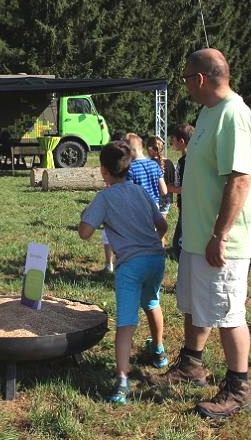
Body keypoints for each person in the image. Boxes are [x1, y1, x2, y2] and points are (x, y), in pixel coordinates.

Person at [149, 48, 251, 420]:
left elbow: (240, 179)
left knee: (228, 312)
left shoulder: (234, 115)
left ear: (199, 78)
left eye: (185, 77)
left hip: (221, 241)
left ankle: (239, 387)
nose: (184, 84)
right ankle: (191, 366)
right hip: (197, 237)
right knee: (196, 305)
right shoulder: (208, 113)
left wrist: (221, 234)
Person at [79, 141, 169, 405]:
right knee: (152, 302)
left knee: (126, 323)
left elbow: (84, 233)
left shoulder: (104, 198)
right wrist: (152, 241)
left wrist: (88, 214)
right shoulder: (141, 193)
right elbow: (162, 225)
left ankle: (121, 382)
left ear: (104, 171)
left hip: (130, 266)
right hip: (155, 260)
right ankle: (159, 351)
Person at [168, 124, 195, 260]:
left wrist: (168, 188)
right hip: (185, 207)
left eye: (173, 139)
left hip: (188, 207)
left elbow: (187, 188)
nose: (171, 142)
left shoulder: (187, 161)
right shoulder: (186, 160)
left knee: (178, 245)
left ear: (181, 141)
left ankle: (184, 277)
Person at [146, 135, 176, 245]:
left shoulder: (148, 164)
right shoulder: (169, 163)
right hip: (167, 198)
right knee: (161, 227)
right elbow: (172, 182)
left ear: (150, 149)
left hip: (153, 198)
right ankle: (161, 247)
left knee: (153, 227)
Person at [124, 133, 167, 206]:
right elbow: (164, 191)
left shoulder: (130, 168)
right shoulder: (154, 165)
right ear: (142, 147)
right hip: (154, 206)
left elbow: (129, 193)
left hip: (139, 206)